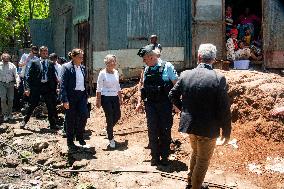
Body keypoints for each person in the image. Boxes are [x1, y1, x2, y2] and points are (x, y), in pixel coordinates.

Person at [168, 43, 232, 189]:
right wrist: (226, 132)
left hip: (190, 125)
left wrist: (184, 109)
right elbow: (224, 108)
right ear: (213, 59)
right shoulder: (218, 78)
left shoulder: (186, 74)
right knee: (203, 160)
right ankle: (196, 186)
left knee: (196, 153)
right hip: (208, 128)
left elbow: (172, 94)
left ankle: (191, 182)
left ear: (198, 57)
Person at [136, 44, 178, 166]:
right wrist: (139, 102)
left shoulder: (167, 66)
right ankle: (154, 157)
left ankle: (164, 157)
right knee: (152, 130)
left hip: (165, 104)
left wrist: (176, 104)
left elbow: (176, 85)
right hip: (151, 105)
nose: (143, 61)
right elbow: (142, 87)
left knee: (165, 130)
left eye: (144, 59)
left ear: (151, 57)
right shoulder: (146, 69)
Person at [20, 46, 58, 130]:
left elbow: (53, 77)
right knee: (33, 104)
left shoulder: (51, 63)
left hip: (47, 87)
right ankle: (25, 120)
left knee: (50, 105)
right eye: (43, 52)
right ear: (40, 53)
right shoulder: (34, 62)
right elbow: (28, 76)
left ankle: (52, 124)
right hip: (37, 86)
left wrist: (55, 88)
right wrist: (27, 88)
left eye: (46, 52)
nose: (45, 54)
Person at [60, 48, 89, 150]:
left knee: (84, 115)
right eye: (79, 57)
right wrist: (64, 100)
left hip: (81, 96)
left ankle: (80, 137)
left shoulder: (83, 68)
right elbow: (63, 85)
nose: (82, 59)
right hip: (71, 97)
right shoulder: (66, 67)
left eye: (82, 57)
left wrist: (86, 95)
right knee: (70, 119)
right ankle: (70, 141)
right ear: (73, 57)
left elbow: (84, 83)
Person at [96, 54, 122, 149]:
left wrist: (120, 97)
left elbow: (118, 85)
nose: (114, 63)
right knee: (109, 117)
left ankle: (108, 129)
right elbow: (98, 87)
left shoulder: (116, 72)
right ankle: (111, 138)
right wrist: (98, 100)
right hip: (105, 97)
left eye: (114, 61)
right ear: (107, 63)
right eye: (111, 61)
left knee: (118, 115)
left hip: (114, 97)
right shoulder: (102, 73)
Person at [0, 53, 20, 121]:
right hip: (2, 83)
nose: (6, 60)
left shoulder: (12, 65)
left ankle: (10, 114)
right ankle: (5, 114)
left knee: (11, 99)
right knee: (3, 99)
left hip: (10, 84)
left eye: (7, 59)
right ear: (2, 59)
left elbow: (16, 75)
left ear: (9, 59)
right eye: (4, 59)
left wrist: (17, 82)